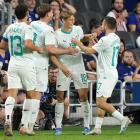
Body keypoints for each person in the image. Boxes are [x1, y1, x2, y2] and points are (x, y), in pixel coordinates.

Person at [72, 16, 131, 135]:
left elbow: (88, 51)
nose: (101, 26)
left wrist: (77, 42)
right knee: (102, 101)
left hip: (106, 75)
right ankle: (98, 128)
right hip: (111, 73)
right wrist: (95, 43)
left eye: (102, 24)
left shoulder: (105, 39)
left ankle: (122, 119)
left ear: (105, 24)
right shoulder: (115, 38)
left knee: (100, 102)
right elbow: (103, 49)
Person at [0, 4, 44, 136]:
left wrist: (13, 48)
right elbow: (28, 44)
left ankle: (8, 120)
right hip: (27, 63)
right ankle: (24, 126)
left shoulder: (10, 27)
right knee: (30, 94)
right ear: (26, 13)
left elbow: (2, 45)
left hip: (13, 63)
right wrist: (39, 48)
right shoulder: (28, 27)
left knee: (12, 94)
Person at [51, 11, 90, 135]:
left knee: (83, 96)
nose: (72, 22)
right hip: (65, 67)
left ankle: (87, 125)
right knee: (60, 96)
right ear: (63, 20)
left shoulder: (77, 29)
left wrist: (88, 36)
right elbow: (53, 52)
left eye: (73, 19)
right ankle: (58, 126)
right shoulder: (56, 34)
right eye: (70, 20)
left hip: (79, 66)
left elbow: (81, 38)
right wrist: (66, 52)